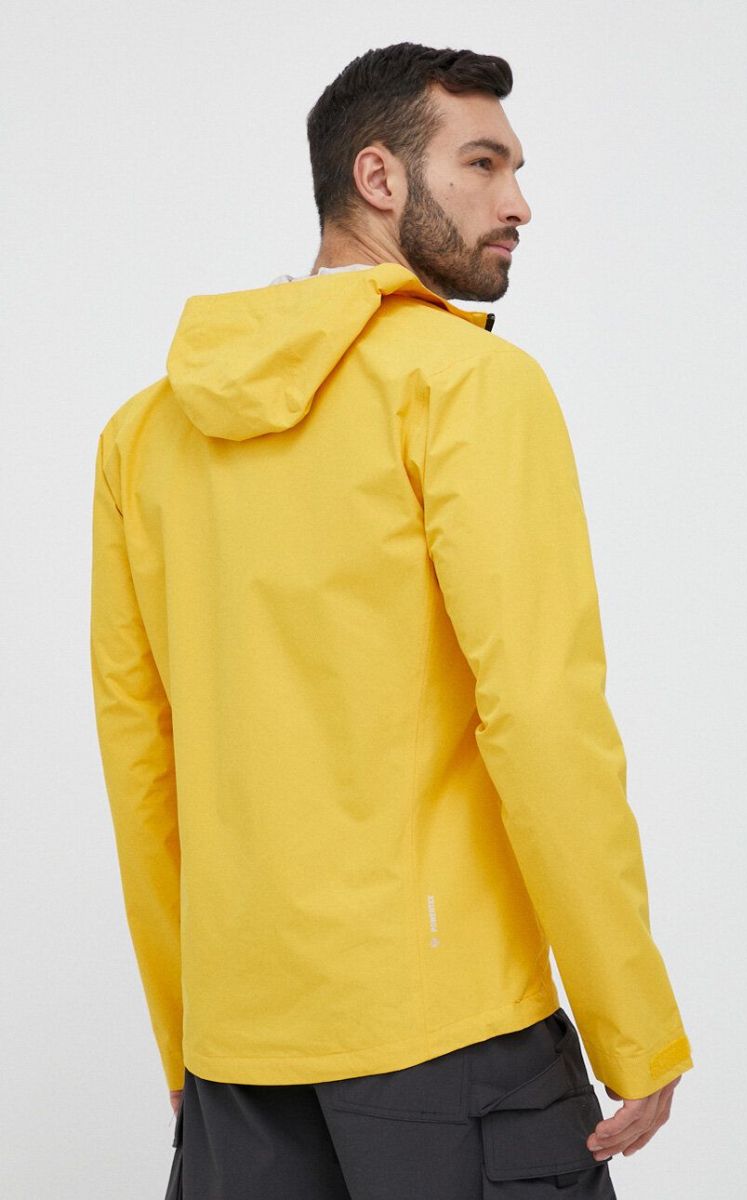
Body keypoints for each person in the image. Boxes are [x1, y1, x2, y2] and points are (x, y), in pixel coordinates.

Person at [90, 41, 693, 1198]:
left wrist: (185, 1035)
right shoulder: (466, 386)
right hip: (451, 1035)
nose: (519, 203)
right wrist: (634, 1019)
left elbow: (140, 757)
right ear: (378, 177)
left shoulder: (144, 436)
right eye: (484, 163)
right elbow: (542, 717)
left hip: (236, 1058)